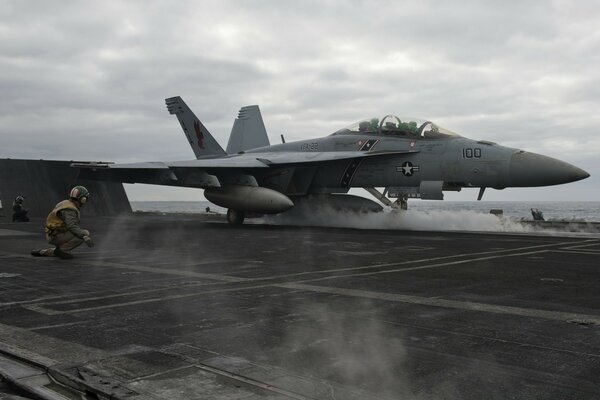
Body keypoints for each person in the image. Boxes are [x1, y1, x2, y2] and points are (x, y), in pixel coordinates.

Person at [31, 186, 94, 259]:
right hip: (56, 235)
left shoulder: (65, 203)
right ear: (82, 199)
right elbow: (72, 226)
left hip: (53, 233)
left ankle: (42, 252)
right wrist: (84, 236)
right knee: (85, 233)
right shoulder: (70, 209)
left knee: (59, 249)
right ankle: (64, 250)